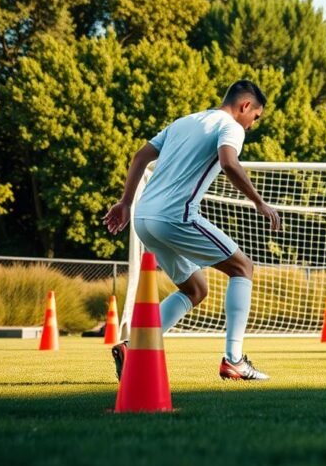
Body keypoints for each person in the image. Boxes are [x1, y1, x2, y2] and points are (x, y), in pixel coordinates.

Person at [103, 80, 281, 381]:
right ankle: (234, 360)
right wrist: (260, 202)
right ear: (245, 106)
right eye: (256, 117)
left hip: (144, 219)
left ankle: (134, 347)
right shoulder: (231, 126)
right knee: (243, 267)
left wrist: (125, 203)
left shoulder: (183, 122)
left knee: (195, 289)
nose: (252, 126)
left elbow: (139, 157)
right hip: (176, 217)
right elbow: (229, 162)